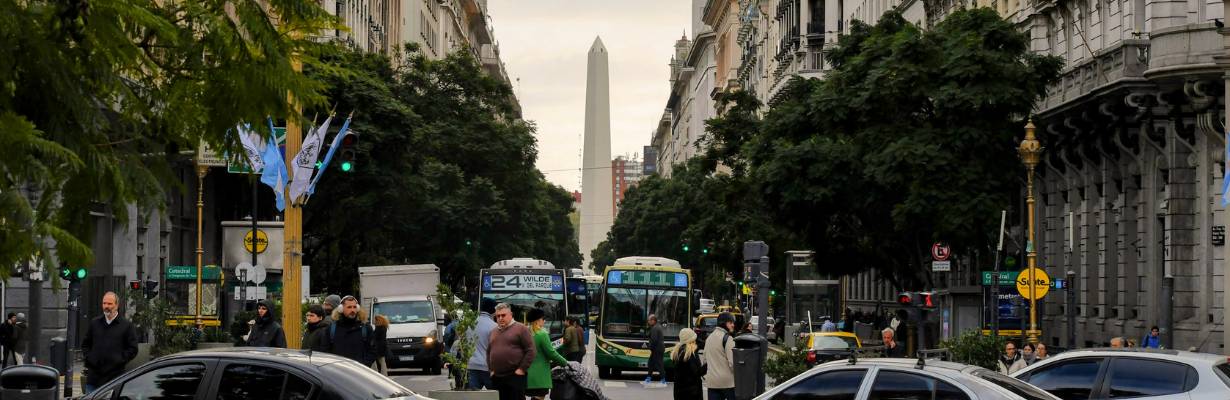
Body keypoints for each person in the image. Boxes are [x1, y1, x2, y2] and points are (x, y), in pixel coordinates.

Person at [82, 292, 138, 394]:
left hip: (115, 379)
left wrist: (119, 360)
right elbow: (85, 344)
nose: (106, 306)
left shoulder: (126, 326)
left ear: (117, 305)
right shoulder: (95, 323)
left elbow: (133, 349)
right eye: (104, 303)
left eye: (109, 304)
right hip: (94, 379)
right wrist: (90, 358)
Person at [487, 303, 535, 400]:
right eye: (498, 316)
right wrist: (491, 370)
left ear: (511, 315)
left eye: (503, 315)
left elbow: (531, 350)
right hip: (497, 377)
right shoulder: (493, 331)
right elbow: (489, 351)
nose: (500, 318)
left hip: (515, 376)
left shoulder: (521, 328)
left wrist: (521, 369)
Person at [525, 308, 569, 400]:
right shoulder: (542, 334)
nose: (544, 321)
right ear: (538, 320)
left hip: (527, 373)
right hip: (540, 374)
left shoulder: (525, 333)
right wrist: (565, 362)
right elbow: (551, 353)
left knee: (534, 396)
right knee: (539, 397)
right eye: (542, 319)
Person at [327, 295, 376, 366]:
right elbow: (325, 351)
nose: (352, 310)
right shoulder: (331, 329)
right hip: (338, 372)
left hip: (360, 372)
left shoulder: (366, 328)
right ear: (341, 309)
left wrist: (364, 365)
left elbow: (373, 350)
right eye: (349, 307)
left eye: (354, 307)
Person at [466, 298, 499, 390]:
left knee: (473, 396)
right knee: (495, 395)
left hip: (471, 366)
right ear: (493, 310)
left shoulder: (469, 324)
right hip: (488, 368)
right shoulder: (494, 326)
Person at [703, 312, 737, 400]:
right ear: (724, 323)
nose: (733, 325)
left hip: (712, 383)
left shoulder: (709, 338)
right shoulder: (728, 339)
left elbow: (705, 361)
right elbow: (732, 363)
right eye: (731, 323)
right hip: (727, 383)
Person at [671, 327, 706, 400]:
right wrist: (707, 365)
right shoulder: (690, 353)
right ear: (692, 339)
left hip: (679, 392)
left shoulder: (677, 352)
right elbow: (697, 372)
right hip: (692, 392)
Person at [645, 314, 667, 385]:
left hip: (657, 349)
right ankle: (649, 377)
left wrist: (650, 347)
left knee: (659, 364)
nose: (648, 322)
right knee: (651, 363)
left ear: (653, 320)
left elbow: (654, 339)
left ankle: (663, 379)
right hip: (658, 349)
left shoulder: (655, 328)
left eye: (649, 320)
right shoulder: (657, 327)